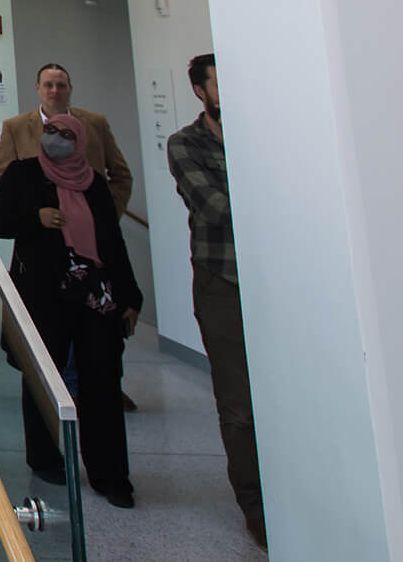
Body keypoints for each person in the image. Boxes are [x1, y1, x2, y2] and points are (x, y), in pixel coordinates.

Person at [0, 112, 142, 508]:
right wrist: (35, 219)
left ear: (81, 142)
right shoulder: (22, 175)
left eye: (65, 134)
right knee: (43, 375)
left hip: (96, 297)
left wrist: (131, 297)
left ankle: (110, 474)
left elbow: (113, 243)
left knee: (102, 381)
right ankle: (44, 458)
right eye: (50, 132)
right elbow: (1, 222)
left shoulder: (95, 185)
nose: (56, 139)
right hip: (45, 294)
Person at [167, 54, 265, 549]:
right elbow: (215, 206)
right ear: (201, 92)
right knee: (239, 405)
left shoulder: (264, 137)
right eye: (219, 83)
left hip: (276, 281)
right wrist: (271, 195)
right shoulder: (186, 143)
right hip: (222, 280)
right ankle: (256, 507)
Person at [0, 64, 135, 214]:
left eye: (61, 85)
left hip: (89, 224)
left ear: (70, 89)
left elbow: (121, 175)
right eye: (48, 85)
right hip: (41, 227)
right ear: (38, 88)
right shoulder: (15, 127)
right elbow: (0, 175)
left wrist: (109, 212)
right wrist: (31, 214)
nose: (55, 91)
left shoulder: (96, 123)